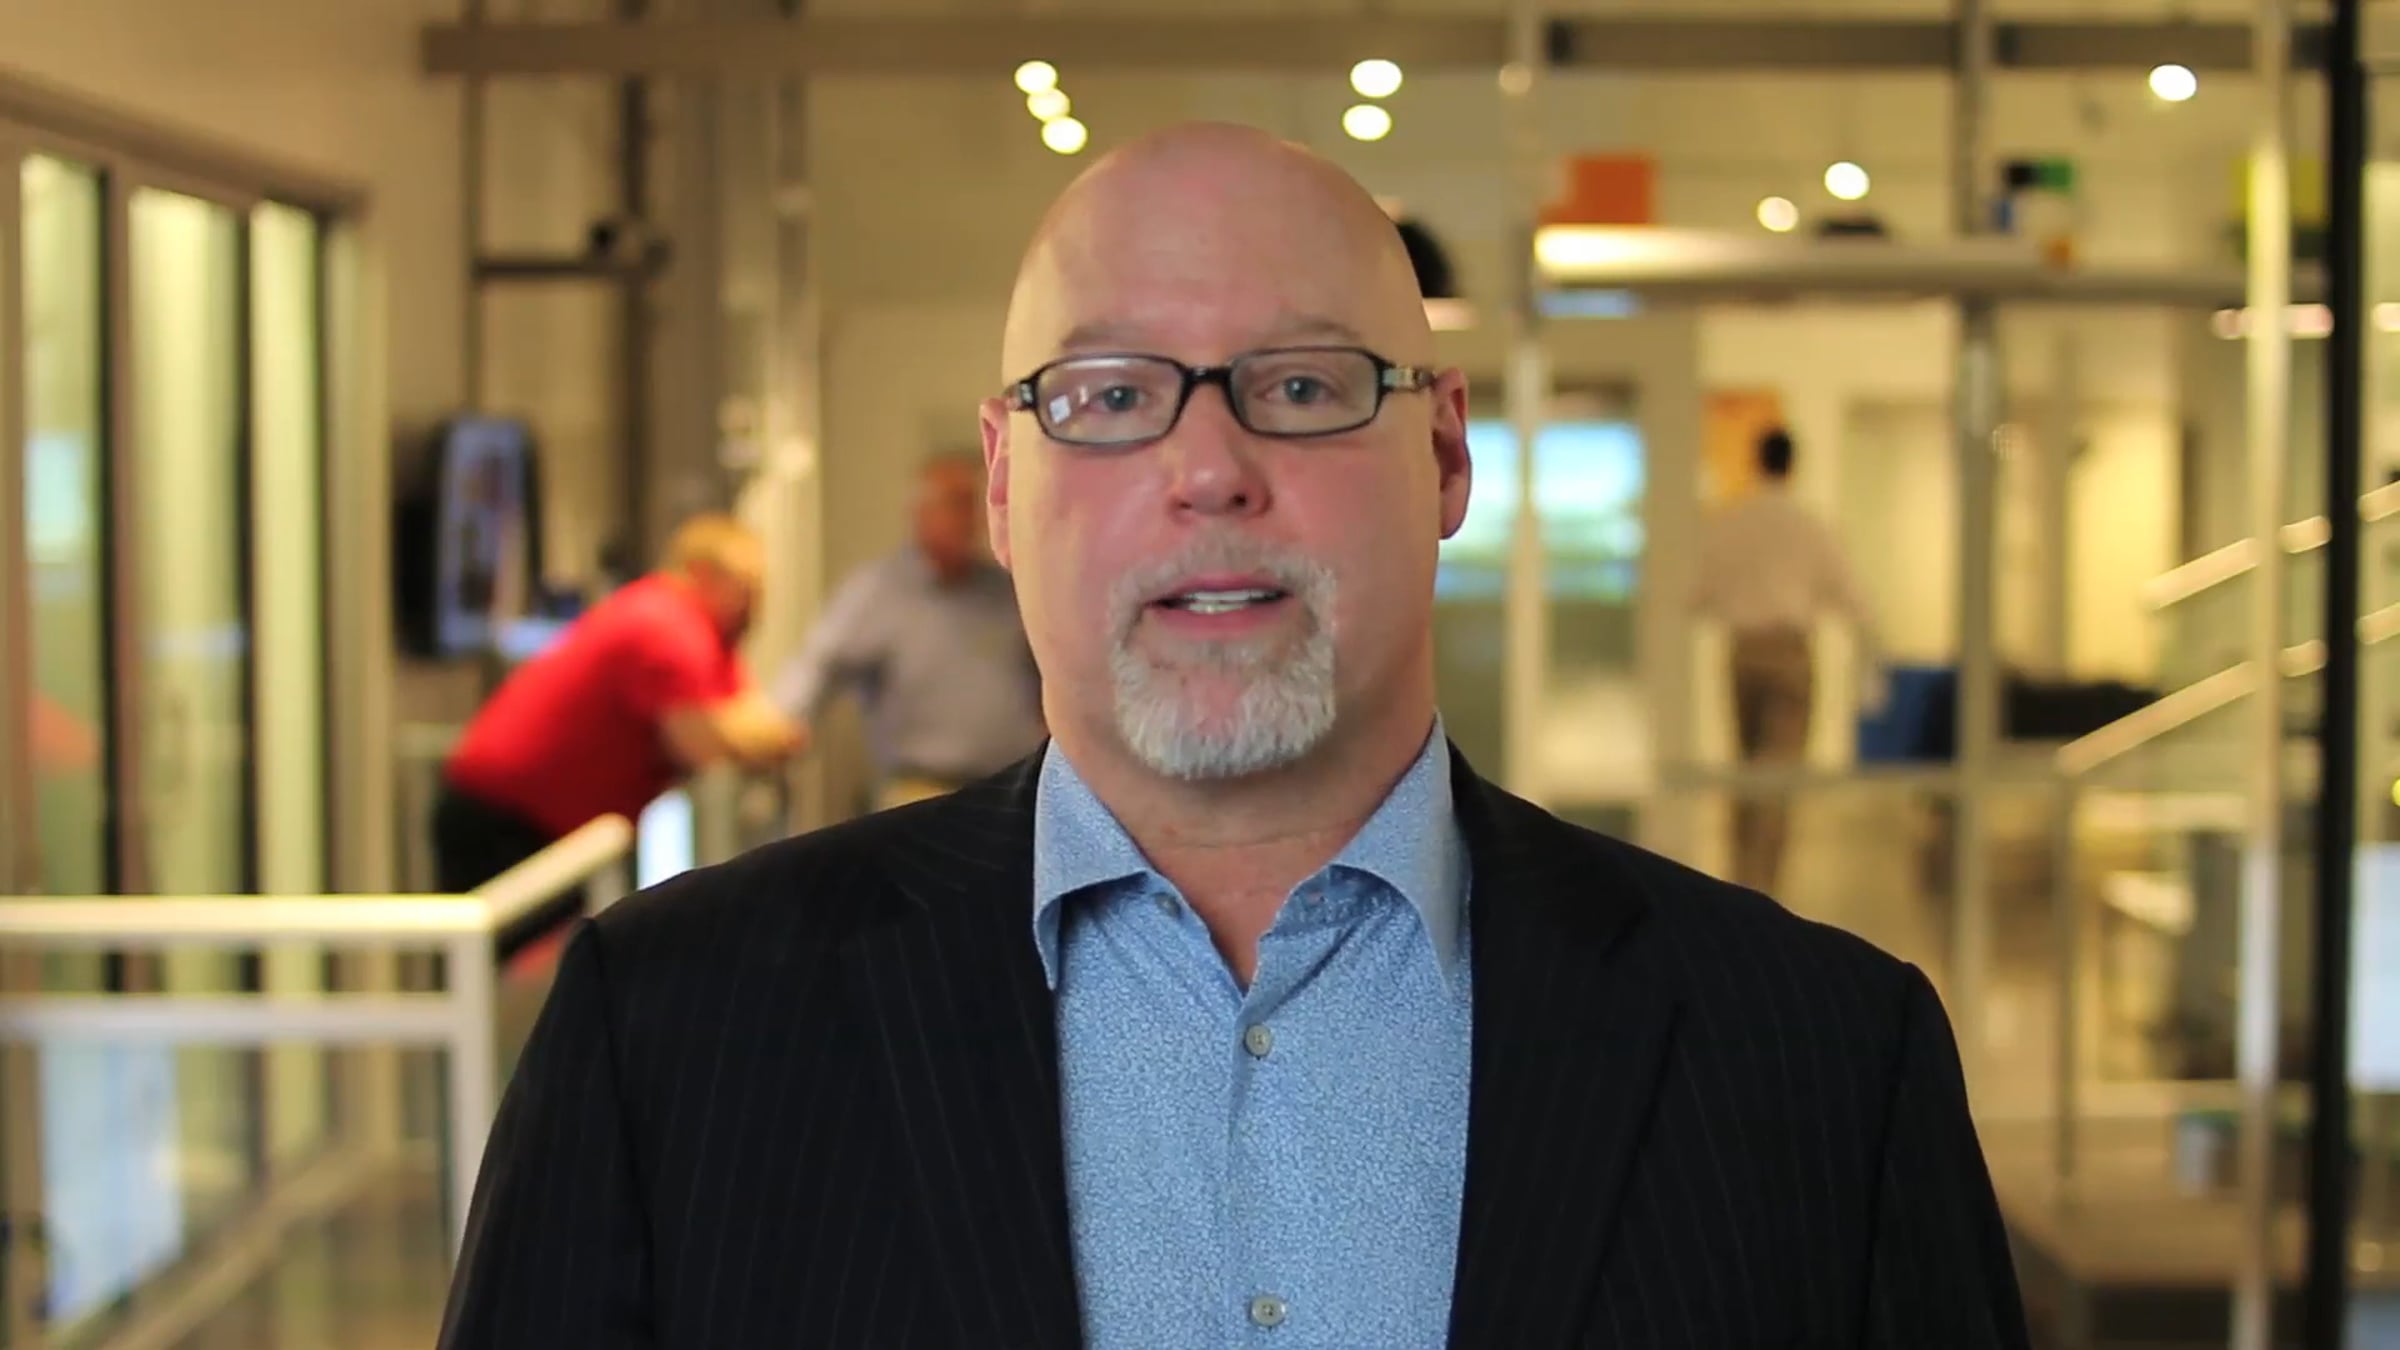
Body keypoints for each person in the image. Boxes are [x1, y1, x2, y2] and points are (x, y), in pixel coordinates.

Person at [440, 125, 2027, 1349]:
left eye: (1304, 385)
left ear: (1446, 453)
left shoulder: (1825, 1065)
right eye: (1109, 396)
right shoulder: (670, 1037)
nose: (1209, 469)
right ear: (1001, 480)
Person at [433, 513, 802, 897]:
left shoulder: (702, 633)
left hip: (543, 820)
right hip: (507, 818)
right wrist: (749, 735)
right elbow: (702, 744)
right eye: (744, 586)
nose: (754, 604)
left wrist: (751, 732)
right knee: (511, 932)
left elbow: (757, 719)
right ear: (702, 573)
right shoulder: (666, 626)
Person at [773, 450, 1046, 810]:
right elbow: (818, 666)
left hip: (1013, 793)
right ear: (920, 512)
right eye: (957, 503)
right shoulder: (877, 592)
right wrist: (780, 727)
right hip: (920, 793)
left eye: (975, 504)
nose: (971, 518)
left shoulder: (1009, 590)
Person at [1692, 425, 1883, 894]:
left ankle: (1742, 881)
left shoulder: (1732, 521)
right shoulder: (1808, 524)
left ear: (1757, 461)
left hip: (1744, 651)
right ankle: (1764, 887)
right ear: (1793, 465)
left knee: (1746, 770)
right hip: (1789, 653)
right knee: (1778, 775)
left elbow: (1696, 595)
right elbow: (1852, 597)